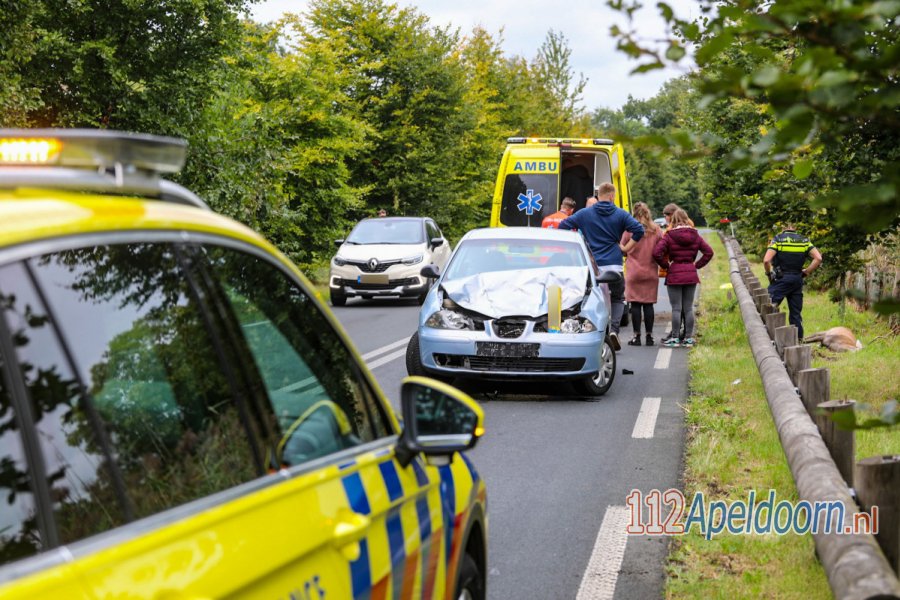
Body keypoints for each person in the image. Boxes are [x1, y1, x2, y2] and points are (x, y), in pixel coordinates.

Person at [559, 182, 644, 350]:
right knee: (618, 298)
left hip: (593, 266)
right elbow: (639, 230)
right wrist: (626, 248)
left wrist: (580, 246)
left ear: (598, 196)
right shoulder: (621, 214)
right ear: (612, 196)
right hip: (614, 264)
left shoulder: (585, 213)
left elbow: (563, 226)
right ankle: (614, 330)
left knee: (590, 299)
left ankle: (596, 333)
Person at [653, 208, 713, 348]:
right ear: (687, 219)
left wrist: (666, 265)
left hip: (675, 272)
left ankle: (674, 338)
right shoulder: (695, 235)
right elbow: (709, 252)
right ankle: (688, 338)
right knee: (688, 307)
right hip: (690, 273)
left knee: (676, 308)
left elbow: (657, 253)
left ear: (673, 220)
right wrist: (696, 265)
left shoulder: (669, 235)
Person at [763, 223, 822, 339]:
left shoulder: (778, 239)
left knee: (768, 307)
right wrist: (806, 272)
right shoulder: (804, 240)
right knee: (796, 314)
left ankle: (766, 338)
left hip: (781, 279)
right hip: (797, 279)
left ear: (783, 227)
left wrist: (769, 274)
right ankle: (798, 341)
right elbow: (818, 258)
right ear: (795, 227)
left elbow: (766, 260)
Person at [621, 202, 663, 346]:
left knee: (636, 305)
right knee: (649, 305)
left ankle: (636, 336)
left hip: (634, 272)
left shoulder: (629, 230)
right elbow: (661, 249)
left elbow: (623, 249)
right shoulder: (656, 230)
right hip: (650, 271)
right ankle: (650, 337)